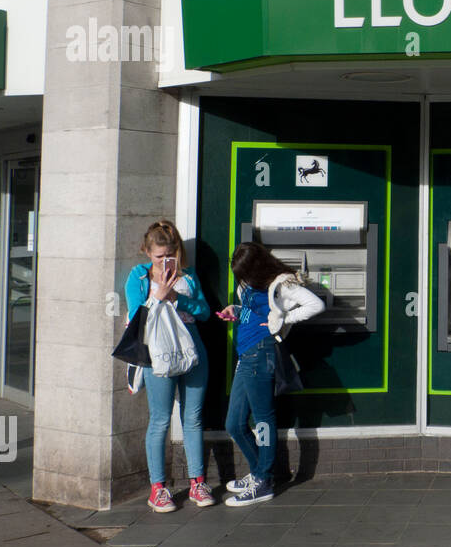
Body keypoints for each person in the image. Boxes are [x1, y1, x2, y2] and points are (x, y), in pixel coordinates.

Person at [219, 242, 325, 506]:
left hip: (262, 354)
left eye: (245, 273)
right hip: (246, 357)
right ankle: (260, 473)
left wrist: (284, 320)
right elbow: (254, 310)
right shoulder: (253, 283)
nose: (242, 279)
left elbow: (316, 305)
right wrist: (237, 309)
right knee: (234, 423)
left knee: (263, 421)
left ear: (257, 267)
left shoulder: (282, 284)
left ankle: (264, 481)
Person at [125, 219, 212, 512]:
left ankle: (198, 483)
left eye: (169, 255)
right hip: (157, 353)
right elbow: (136, 319)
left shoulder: (188, 277)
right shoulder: (137, 278)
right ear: (147, 252)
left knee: (194, 417)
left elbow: (204, 312)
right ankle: (158, 488)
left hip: (192, 350)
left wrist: (179, 298)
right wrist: (158, 295)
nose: (164, 261)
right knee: (160, 419)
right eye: (159, 256)